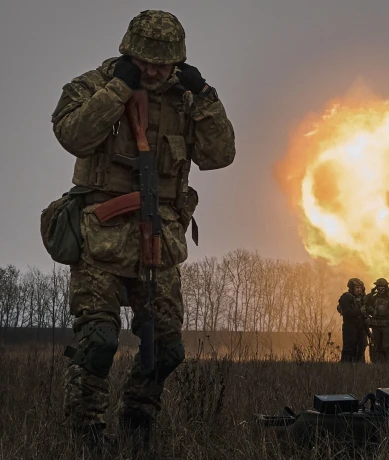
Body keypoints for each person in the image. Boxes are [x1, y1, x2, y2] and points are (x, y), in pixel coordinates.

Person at [50, 10, 236, 449]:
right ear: (129, 53)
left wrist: (206, 95)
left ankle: (137, 419)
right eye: (146, 61)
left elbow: (219, 154)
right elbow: (73, 135)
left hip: (160, 241)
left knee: (167, 349)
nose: (154, 70)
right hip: (101, 240)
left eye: (164, 63)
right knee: (97, 342)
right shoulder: (95, 84)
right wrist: (119, 88)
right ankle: (86, 433)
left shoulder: (187, 99)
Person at [363, 278, 389, 362]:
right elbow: (364, 303)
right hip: (375, 324)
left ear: (386, 287)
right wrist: (371, 296)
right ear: (376, 287)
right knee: (376, 346)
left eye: (382, 287)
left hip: (386, 325)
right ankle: (378, 365)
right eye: (379, 287)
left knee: (387, 346)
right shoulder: (373, 298)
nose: (381, 289)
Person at [337, 278, 368, 362]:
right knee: (349, 348)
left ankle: (360, 366)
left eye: (360, 288)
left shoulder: (363, 298)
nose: (359, 290)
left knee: (362, 346)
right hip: (350, 326)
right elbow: (347, 312)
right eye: (357, 288)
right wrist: (360, 311)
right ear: (351, 288)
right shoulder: (346, 297)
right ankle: (346, 367)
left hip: (361, 326)